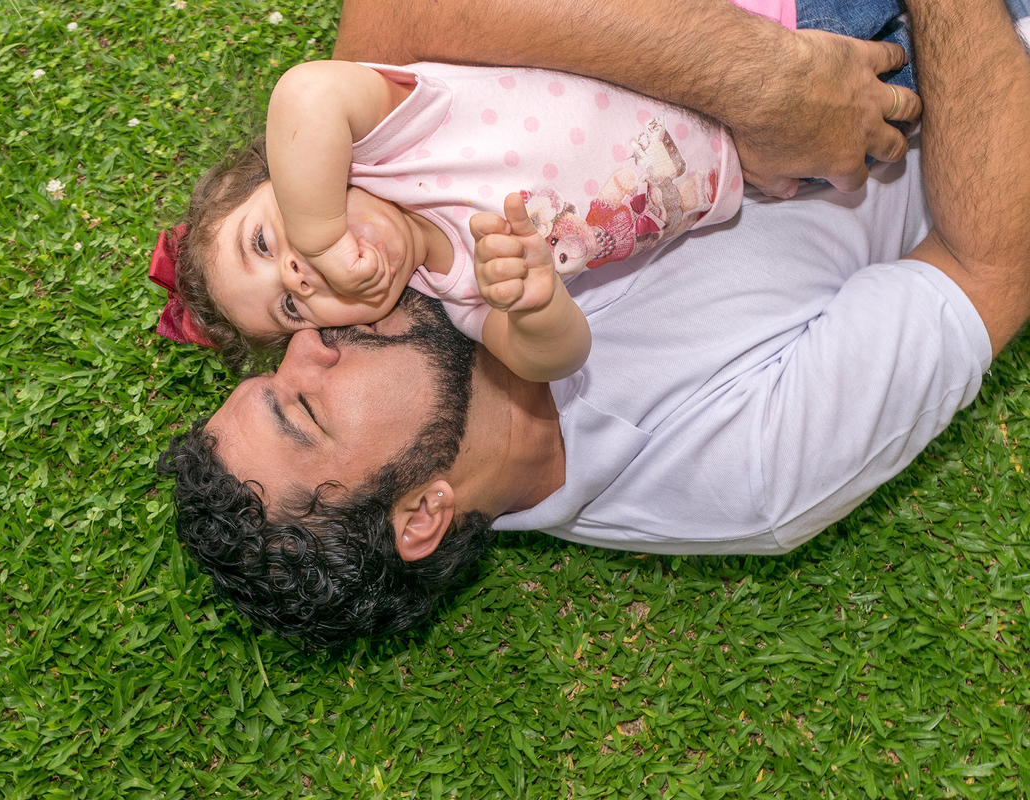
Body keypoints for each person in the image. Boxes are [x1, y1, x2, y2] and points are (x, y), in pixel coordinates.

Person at [159, 0, 1030, 645]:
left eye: (272, 361)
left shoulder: (385, 244)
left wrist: (757, 80)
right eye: (303, 408)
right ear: (421, 512)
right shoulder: (744, 473)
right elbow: (995, 259)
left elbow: (404, 15)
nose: (308, 340)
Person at [150, 0, 921, 382]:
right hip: (777, 157)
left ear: (284, 172)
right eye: (291, 306)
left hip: (767, 31)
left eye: (265, 240)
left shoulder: (385, 141)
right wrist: (536, 307)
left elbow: (304, 94)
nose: (297, 273)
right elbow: (551, 361)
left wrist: (318, 232)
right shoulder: (458, 286)